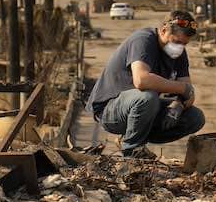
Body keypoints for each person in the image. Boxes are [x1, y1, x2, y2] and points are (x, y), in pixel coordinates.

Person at [86, 9, 206, 158]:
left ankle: (132, 139)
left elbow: (189, 94)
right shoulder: (143, 40)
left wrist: (179, 105)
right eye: (176, 41)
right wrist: (182, 89)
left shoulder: (179, 54)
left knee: (195, 117)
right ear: (163, 30)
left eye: (184, 44)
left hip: (140, 109)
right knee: (148, 97)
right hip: (110, 110)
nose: (180, 47)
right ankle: (132, 151)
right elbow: (142, 80)